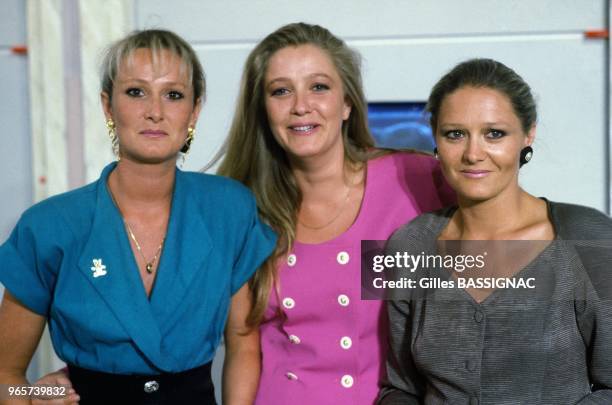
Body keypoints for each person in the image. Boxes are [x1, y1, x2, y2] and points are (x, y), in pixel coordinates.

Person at [0, 29, 276, 405]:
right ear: (108, 106)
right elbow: (5, 378)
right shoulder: (49, 226)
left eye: (173, 95)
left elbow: (243, 343)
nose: (155, 111)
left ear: (194, 111)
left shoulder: (228, 209)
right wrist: (38, 394)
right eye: (136, 92)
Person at [215, 23, 454, 404]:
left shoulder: (415, 180)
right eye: (281, 91)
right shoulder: (243, 210)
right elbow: (243, 345)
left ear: (347, 103)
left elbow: (501, 277)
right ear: (263, 110)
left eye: (319, 87)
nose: (300, 105)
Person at [378, 59, 612, 404]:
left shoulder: (591, 235)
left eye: (494, 134)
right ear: (437, 140)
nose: (473, 153)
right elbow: (397, 389)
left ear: (528, 133)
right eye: (455, 134)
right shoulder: (406, 244)